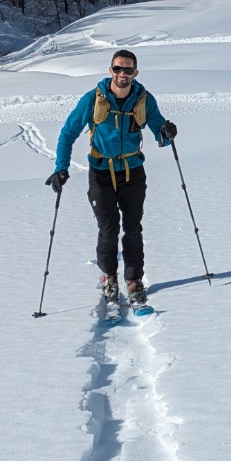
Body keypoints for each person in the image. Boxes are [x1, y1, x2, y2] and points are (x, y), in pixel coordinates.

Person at [47, 48, 176, 304]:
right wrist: (61, 168)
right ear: (110, 70)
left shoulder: (143, 99)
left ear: (135, 73)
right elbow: (68, 133)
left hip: (132, 173)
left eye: (128, 69)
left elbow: (159, 134)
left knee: (132, 228)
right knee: (108, 229)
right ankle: (109, 276)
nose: (122, 74)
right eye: (118, 68)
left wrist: (167, 132)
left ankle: (133, 279)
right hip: (101, 173)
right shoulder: (93, 99)